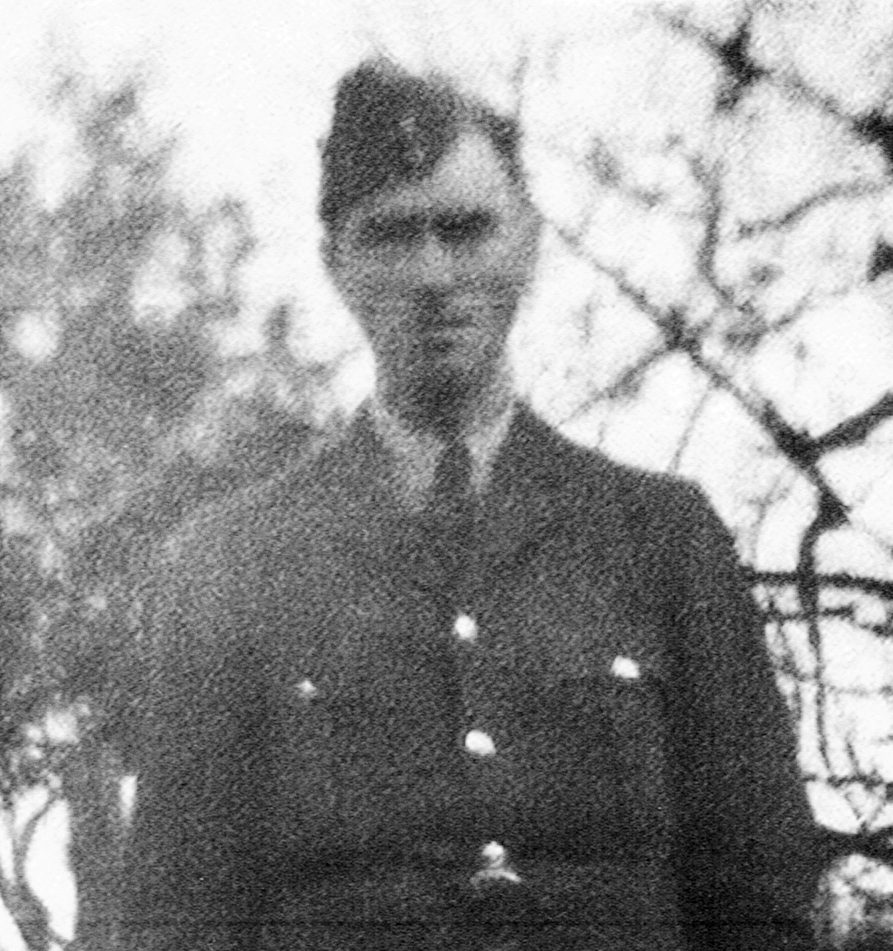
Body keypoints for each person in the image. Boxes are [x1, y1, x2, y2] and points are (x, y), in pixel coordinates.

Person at [119, 59, 842, 950]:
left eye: (467, 230)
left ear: (528, 241)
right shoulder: (233, 561)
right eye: (391, 236)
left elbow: (759, 896)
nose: (433, 273)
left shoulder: (662, 539)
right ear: (336, 263)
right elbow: (173, 913)